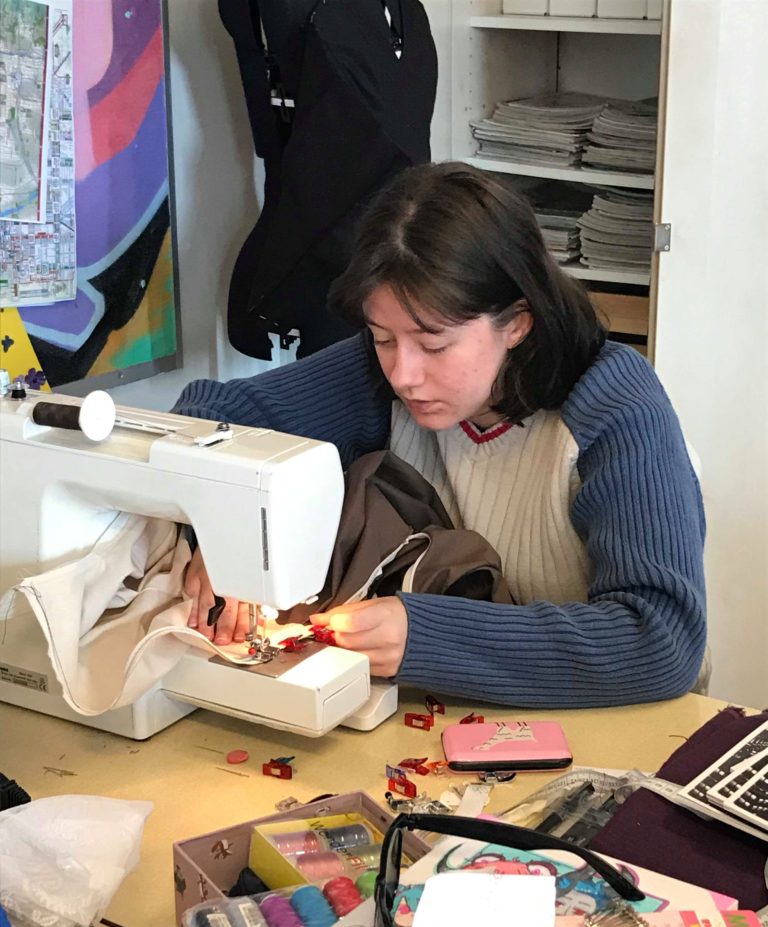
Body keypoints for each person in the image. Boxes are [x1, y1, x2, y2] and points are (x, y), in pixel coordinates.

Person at [174, 161, 706, 708]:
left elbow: (660, 640)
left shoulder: (613, 406)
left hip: (624, 718)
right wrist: (224, 520)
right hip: (449, 714)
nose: (403, 374)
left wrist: (425, 636)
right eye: (382, 338)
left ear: (517, 323)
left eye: (434, 346)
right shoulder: (376, 371)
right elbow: (209, 416)